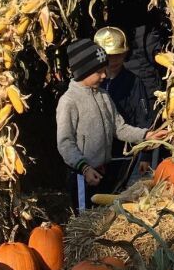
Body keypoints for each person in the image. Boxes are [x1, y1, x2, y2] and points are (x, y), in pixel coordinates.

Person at [55, 38, 167, 209]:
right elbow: (65, 143)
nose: (104, 75)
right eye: (99, 72)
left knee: (105, 218)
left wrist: (146, 136)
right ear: (83, 72)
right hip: (83, 177)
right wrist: (84, 168)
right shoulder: (69, 102)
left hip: (103, 173)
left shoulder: (103, 96)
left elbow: (119, 128)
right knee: (85, 224)